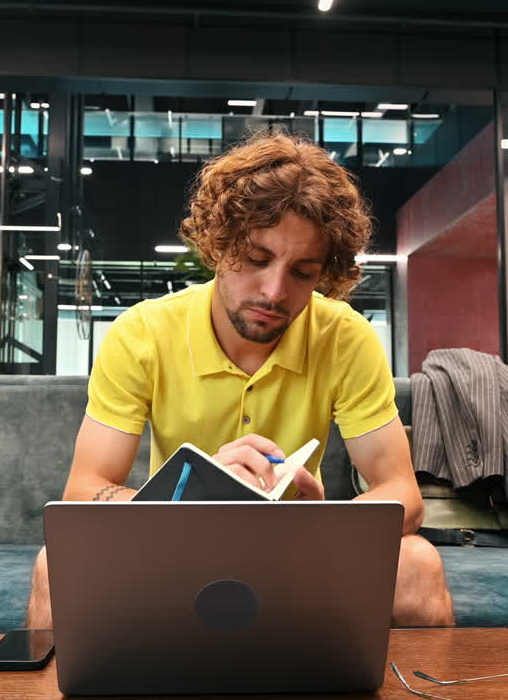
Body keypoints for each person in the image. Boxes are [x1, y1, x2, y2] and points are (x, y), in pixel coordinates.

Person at [27, 130, 454, 628]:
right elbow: (84, 490)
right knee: (53, 568)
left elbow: (403, 493)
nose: (274, 291)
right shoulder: (142, 333)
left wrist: (319, 523)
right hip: (173, 544)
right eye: (256, 260)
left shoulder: (345, 337)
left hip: (295, 548)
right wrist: (193, 501)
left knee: (419, 567)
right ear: (219, 245)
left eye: (303, 272)